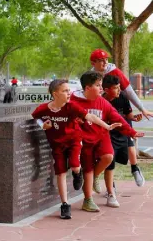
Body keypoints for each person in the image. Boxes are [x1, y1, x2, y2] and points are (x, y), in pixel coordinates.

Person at [32, 79, 122, 219]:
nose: (69, 93)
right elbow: (34, 117)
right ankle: (65, 205)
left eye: (69, 90)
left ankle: (77, 173)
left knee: (74, 165)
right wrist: (42, 125)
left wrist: (106, 126)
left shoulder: (72, 106)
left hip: (74, 141)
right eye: (65, 91)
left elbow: (89, 116)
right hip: (57, 145)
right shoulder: (44, 108)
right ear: (55, 94)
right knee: (60, 172)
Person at [71, 71, 144, 212]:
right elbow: (65, 115)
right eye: (98, 86)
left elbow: (118, 118)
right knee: (88, 169)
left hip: (102, 136)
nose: (100, 89)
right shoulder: (74, 101)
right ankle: (87, 200)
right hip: (85, 140)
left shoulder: (102, 102)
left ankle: (95, 176)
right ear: (87, 88)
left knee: (108, 157)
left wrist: (132, 132)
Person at [102, 74, 145, 207]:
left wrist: (134, 118)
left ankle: (135, 169)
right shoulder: (101, 101)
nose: (119, 90)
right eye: (116, 88)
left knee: (128, 150)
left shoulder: (123, 98)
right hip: (108, 134)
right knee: (110, 160)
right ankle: (111, 191)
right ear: (106, 89)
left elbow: (128, 114)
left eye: (119, 87)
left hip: (123, 131)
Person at [90, 49, 152, 119]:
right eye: (101, 60)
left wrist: (142, 108)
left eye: (106, 59)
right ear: (93, 63)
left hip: (118, 108)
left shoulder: (115, 72)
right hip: (102, 111)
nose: (105, 62)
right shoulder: (90, 76)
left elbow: (129, 91)